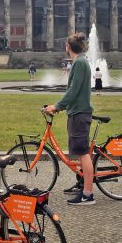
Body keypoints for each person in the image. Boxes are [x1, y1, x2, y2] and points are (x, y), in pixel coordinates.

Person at [44, 33, 95, 206]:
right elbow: (75, 92)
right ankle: (83, 186)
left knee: (83, 153)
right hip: (77, 112)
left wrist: (57, 106)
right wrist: (62, 106)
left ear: (68, 46)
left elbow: (73, 91)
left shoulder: (79, 63)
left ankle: (88, 194)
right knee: (81, 152)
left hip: (80, 114)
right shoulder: (79, 62)